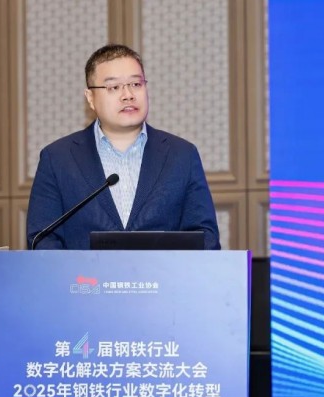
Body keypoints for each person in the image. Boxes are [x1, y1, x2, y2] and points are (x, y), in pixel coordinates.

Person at [26, 44, 220, 250]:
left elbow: (205, 238)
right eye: (114, 87)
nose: (128, 94)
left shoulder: (182, 155)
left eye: (136, 84)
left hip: (161, 272)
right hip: (84, 272)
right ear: (90, 98)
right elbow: (43, 240)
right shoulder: (57, 159)